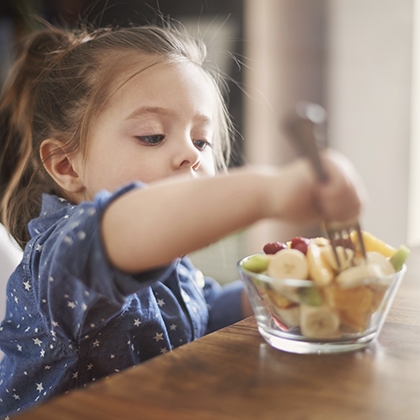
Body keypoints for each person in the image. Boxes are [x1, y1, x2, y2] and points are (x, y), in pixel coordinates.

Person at [0, 22, 364, 417]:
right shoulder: (63, 256)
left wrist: (271, 288)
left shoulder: (169, 259)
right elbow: (129, 223)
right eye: (152, 136)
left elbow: (201, 313)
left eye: (201, 140)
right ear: (66, 165)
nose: (191, 154)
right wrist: (268, 190)